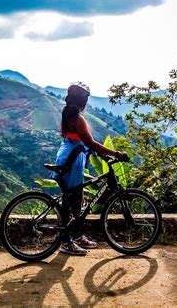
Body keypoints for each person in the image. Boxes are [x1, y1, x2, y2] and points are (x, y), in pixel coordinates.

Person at [52, 82, 130, 255]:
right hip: (72, 160)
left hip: (71, 156)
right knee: (71, 200)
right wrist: (117, 153)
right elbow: (91, 143)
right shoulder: (77, 118)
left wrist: (102, 155)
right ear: (83, 100)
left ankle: (77, 235)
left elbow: (83, 143)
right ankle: (66, 241)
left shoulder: (70, 114)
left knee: (76, 200)